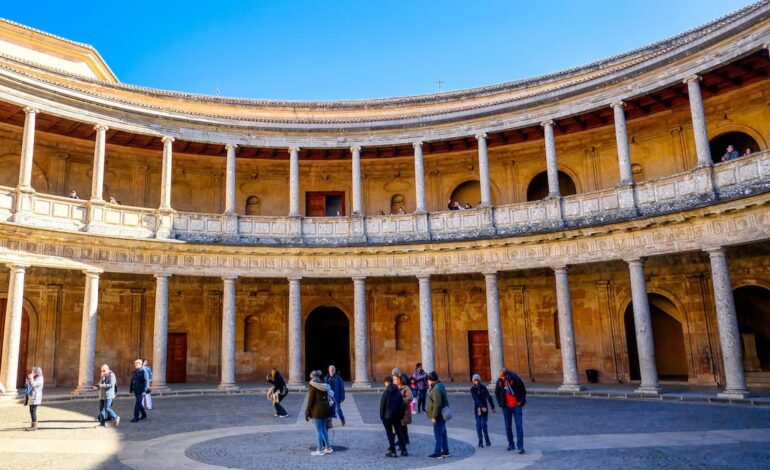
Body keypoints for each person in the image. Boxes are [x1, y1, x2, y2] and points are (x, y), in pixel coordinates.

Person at [494, 368, 527, 454]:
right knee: (508, 427)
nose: (500, 377)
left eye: (502, 376)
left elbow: (523, 390)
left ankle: (520, 447)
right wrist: (500, 403)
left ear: (506, 375)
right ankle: (511, 444)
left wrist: (521, 401)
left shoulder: (515, 378)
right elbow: (497, 392)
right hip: (506, 407)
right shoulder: (500, 381)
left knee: (519, 426)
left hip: (516, 406)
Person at [305, 370, 333, 456]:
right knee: (324, 429)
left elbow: (310, 401)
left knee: (318, 431)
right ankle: (328, 448)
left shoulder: (313, 386)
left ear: (312, 377)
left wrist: (307, 411)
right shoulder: (323, 384)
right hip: (326, 409)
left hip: (317, 411)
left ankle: (320, 450)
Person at [380, 375, 408, 457]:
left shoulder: (386, 393)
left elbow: (382, 407)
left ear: (386, 382)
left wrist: (382, 417)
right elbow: (402, 405)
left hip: (387, 417)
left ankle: (393, 451)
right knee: (399, 433)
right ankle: (404, 450)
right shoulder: (398, 392)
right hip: (397, 416)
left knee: (390, 434)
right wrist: (401, 415)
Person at [426, 371, 450, 459]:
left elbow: (437, 404)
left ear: (432, 380)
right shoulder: (440, 385)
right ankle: (445, 451)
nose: (427, 381)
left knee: (438, 434)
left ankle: (437, 452)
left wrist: (434, 416)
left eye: (428, 379)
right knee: (443, 433)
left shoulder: (436, 389)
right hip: (441, 414)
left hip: (438, 415)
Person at [470, 374, 495, 447]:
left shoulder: (483, 388)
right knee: (478, 425)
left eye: (477, 380)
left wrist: (492, 407)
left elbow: (489, 397)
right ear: (473, 381)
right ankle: (480, 441)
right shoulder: (472, 389)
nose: (476, 381)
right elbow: (476, 399)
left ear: (479, 380)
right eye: (475, 380)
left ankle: (487, 440)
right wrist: (481, 407)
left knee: (483, 424)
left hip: (485, 409)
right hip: (478, 409)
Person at [394, 374, 413, 446]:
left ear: (399, 380)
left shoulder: (406, 388)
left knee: (402, 425)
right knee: (402, 425)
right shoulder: (395, 388)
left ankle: (402, 440)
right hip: (398, 410)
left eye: (395, 379)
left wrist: (400, 400)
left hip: (404, 410)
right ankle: (405, 439)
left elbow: (410, 398)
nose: (394, 380)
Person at [129, 358, 149, 422]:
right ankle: (144, 415)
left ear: (140, 364)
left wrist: (144, 391)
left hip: (141, 391)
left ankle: (136, 417)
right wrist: (130, 390)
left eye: (136, 363)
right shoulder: (135, 372)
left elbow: (146, 382)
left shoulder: (143, 371)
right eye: (135, 363)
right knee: (139, 403)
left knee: (137, 404)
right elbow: (132, 381)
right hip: (136, 390)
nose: (135, 364)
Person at [24, 367, 44, 431]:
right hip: (32, 396)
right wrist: (28, 378)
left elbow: (33, 384)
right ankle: (32, 425)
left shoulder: (40, 379)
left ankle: (34, 426)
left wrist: (31, 377)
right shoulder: (35, 378)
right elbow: (28, 384)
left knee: (33, 411)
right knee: (31, 411)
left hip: (36, 397)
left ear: (37, 372)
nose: (32, 373)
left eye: (34, 372)